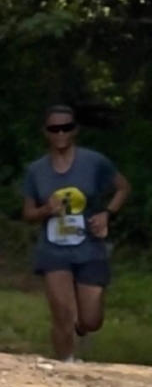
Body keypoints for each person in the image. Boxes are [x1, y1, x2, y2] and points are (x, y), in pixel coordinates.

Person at [19, 106, 130, 363]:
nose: (60, 133)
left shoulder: (94, 162)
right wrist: (45, 210)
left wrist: (107, 214)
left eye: (66, 128)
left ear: (75, 130)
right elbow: (28, 213)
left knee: (91, 320)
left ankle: (82, 325)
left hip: (89, 247)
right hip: (53, 249)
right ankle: (66, 366)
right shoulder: (36, 171)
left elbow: (123, 188)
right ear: (46, 132)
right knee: (62, 312)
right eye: (54, 129)